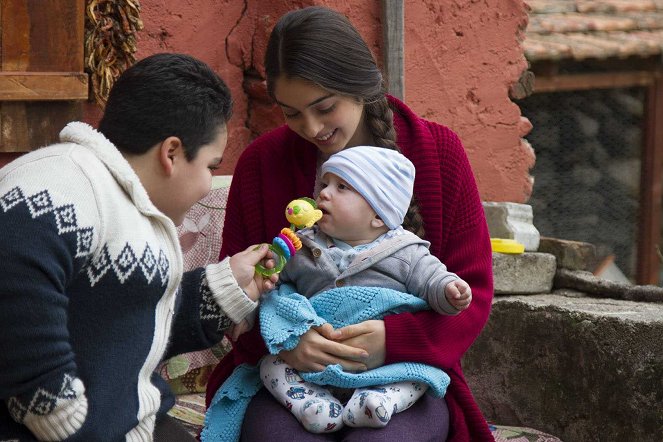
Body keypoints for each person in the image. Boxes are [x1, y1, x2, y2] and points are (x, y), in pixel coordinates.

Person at [206, 6, 494, 442]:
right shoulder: (261, 165)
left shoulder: (438, 153)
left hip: (401, 382)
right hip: (292, 377)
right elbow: (239, 290)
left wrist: (392, 340)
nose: (312, 128)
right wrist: (286, 341)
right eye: (292, 113)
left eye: (325, 107)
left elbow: (471, 296)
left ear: (361, 85)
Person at [0, 53, 277, 442]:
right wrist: (59, 416)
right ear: (171, 153)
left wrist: (224, 288)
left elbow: (123, 320)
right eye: (211, 167)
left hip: (134, 423)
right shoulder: (56, 182)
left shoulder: (129, 202)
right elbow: (11, 272)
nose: (207, 184)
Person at [252, 145, 473, 433]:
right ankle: (311, 404)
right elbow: (271, 286)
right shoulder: (303, 245)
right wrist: (267, 270)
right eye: (325, 183)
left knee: (421, 374)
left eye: (342, 187)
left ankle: (380, 400)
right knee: (270, 364)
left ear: (379, 216)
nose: (323, 193)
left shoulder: (406, 252)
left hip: (380, 367)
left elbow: (432, 279)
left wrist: (449, 290)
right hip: (315, 362)